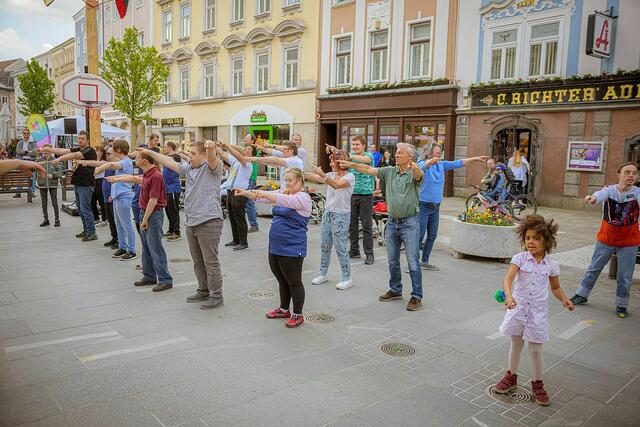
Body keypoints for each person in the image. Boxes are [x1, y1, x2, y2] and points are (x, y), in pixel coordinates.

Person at [495, 214, 574, 406]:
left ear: (547, 241)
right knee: (516, 344)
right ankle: (511, 376)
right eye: (528, 238)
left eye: (536, 238)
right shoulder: (520, 258)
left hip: (538, 313)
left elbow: (555, 288)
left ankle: (538, 384)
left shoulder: (552, 265)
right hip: (518, 309)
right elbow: (508, 279)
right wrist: (509, 295)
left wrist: (564, 299)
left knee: (536, 349)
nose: (531, 242)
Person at [139, 141, 225, 309]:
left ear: (202, 155)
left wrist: (210, 148)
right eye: (189, 153)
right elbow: (168, 161)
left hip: (209, 221)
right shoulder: (188, 169)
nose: (189, 156)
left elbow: (213, 158)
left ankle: (217, 295)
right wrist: (149, 152)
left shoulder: (212, 168)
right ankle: (203, 290)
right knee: (197, 261)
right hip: (192, 222)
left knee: (210, 262)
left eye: (193, 154)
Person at [340, 143, 424, 311]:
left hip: (410, 223)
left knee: (413, 261)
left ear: (410, 157)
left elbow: (418, 175)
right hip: (392, 222)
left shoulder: (414, 172)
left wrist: (414, 168)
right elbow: (368, 170)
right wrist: (350, 164)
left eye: (401, 153)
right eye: (397, 153)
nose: (397, 155)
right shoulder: (390, 171)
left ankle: (416, 296)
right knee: (392, 260)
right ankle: (395, 289)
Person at [234, 168, 312, 328]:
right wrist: (245, 192)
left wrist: (264, 194)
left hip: (292, 247)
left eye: (290, 180)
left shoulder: (303, 198)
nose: (287, 183)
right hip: (276, 245)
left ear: (300, 181)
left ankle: (298, 314)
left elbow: (277, 198)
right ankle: (284, 309)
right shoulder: (285, 193)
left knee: (294, 282)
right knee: (281, 279)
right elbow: (262, 198)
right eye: (286, 179)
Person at [570, 162, 640, 318]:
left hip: (629, 242)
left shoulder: (637, 193)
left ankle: (622, 305)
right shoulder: (609, 190)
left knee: (624, 275)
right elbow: (599, 195)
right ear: (619, 175)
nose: (631, 176)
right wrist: (592, 198)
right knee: (593, 268)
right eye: (627, 172)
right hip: (606, 239)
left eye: (634, 173)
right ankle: (581, 295)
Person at [417, 142, 489, 271]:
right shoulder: (421, 163)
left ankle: (424, 261)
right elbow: (422, 166)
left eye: (440, 152)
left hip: (436, 206)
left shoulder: (441, 164)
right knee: (420, 235)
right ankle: (413, 263)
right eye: (437, 152)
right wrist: (430, 161)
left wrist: (475, 159)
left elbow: (458, 163)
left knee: (432, 235)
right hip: (423, 205)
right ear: (430, 152)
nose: (440, 154)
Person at [109, 152, 173, 292]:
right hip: (147, 213)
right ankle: (149, 275)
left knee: (155, 247)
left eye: (137, 158)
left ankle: (165, 279)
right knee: (146, 246)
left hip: (153, 215)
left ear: (144, 161)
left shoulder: (156, 175)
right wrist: (117, 179)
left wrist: (144, 220)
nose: (134, 160)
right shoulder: (148, 173)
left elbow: (153, 200)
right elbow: (135, 179)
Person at [305, 150, 355, 290]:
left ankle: (347, 278)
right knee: (325, 245)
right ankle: (323, 273)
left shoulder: (350, 177)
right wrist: (300, 171)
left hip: (341, 215)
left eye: (333, 161)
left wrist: (322, 175)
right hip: (328, 213)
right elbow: (317, 177)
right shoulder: (332, 175)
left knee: (340, 247)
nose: (331, 163)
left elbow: (336, 185)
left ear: (340, 162)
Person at [41, 130, 98, 242]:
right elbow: (63, 150)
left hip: (86, 184)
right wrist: (47, 149)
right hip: (78, 183)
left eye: (82, 138)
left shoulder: (90, 151)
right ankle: (86, 230)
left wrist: (59, 159)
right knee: (81, 209)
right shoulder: (79, 148)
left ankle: (92, 232)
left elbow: (74, 155)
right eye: (79, 138)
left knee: (86, 209)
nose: (80, 140)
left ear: (88, 140)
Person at [87, 140, 137, 260]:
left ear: (119, 150)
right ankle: (122, 247)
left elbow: (110, 165)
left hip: (124, 197)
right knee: (119, 224)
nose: (111, 152)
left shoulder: (126, 161)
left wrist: (99, 169)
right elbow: (119, 180)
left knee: (126, 225)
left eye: (113, 149)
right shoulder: (122, 161)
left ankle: (131, 250)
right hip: (118, 196)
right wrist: (113, 194)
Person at [217, 140, 253, 251]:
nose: (243, 151)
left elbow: (236, 155)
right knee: (232, 217)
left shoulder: (247, 163)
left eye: (247, 150)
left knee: (240, 218)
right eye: (244, 149)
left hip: (240, 192)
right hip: (231, 191)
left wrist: (227, 144)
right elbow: (223, 155)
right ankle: (236, 239)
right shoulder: (236, 162)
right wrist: (213, 147)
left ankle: (243, 242)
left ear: (250, 154)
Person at [35, 144, 64, 227]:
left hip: (53, 184)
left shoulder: (55, 160)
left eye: (48, 150)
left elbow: (60, 172)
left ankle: (57, 220)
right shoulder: (39, 160)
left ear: (51, 151)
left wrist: (53, 174)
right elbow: (33, 168)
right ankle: (46, 220)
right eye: (44, 150)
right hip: (42, 184)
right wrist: (36, 156)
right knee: (44, 203)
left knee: (54, 203)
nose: (46, 152)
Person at [162, 141, 182, 241]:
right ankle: (171, 229)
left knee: (174, 211)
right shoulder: (167, 157)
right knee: (168, 210)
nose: (163, 149)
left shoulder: (175, 157)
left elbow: (172, 158)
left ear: (170, 147)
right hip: (167, 189)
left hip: (173, 188)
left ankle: (177, 232)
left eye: (165, 147)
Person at [101, 147, 119, 249]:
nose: (107, 155)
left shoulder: (116, 166)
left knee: (116, 220)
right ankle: (114, 237)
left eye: (109, 154)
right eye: (106, 154)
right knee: (110, 219)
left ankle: (120, 239)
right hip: (106, 196)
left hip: (112, 197)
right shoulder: (108, 165)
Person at [14, 128, 37, 198]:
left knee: (32, 176)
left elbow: (34, 153)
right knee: (20, 177)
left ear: (29, 134)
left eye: (27, 133)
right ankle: (18, 192)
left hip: (31, 161)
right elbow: (18, 151)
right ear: (22, 134)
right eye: (24, 133)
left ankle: (32, 192)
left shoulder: (33, 142)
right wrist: (27, 152)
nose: (26, 134)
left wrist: (24, 152)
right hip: (22, 161)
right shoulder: (20, 143)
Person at [244, 134, 260, 233]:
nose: (245, 140)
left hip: (251, 178)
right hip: (246, 178)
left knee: (249, 202)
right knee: (245, 202)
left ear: (252, 140)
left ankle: (254, 224)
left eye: (247, 138)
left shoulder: (254, 149)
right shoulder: (247, 148)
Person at [91, 146, 108, 227]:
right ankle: (96, 218)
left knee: (101, 201)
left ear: (101, 152)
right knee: (92, 201)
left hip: (101, 181)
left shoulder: (104, 162)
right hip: (94, 181)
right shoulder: (93, 161)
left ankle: (104, 219)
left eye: (97, 150)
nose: (95, 152)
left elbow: (96, 172)